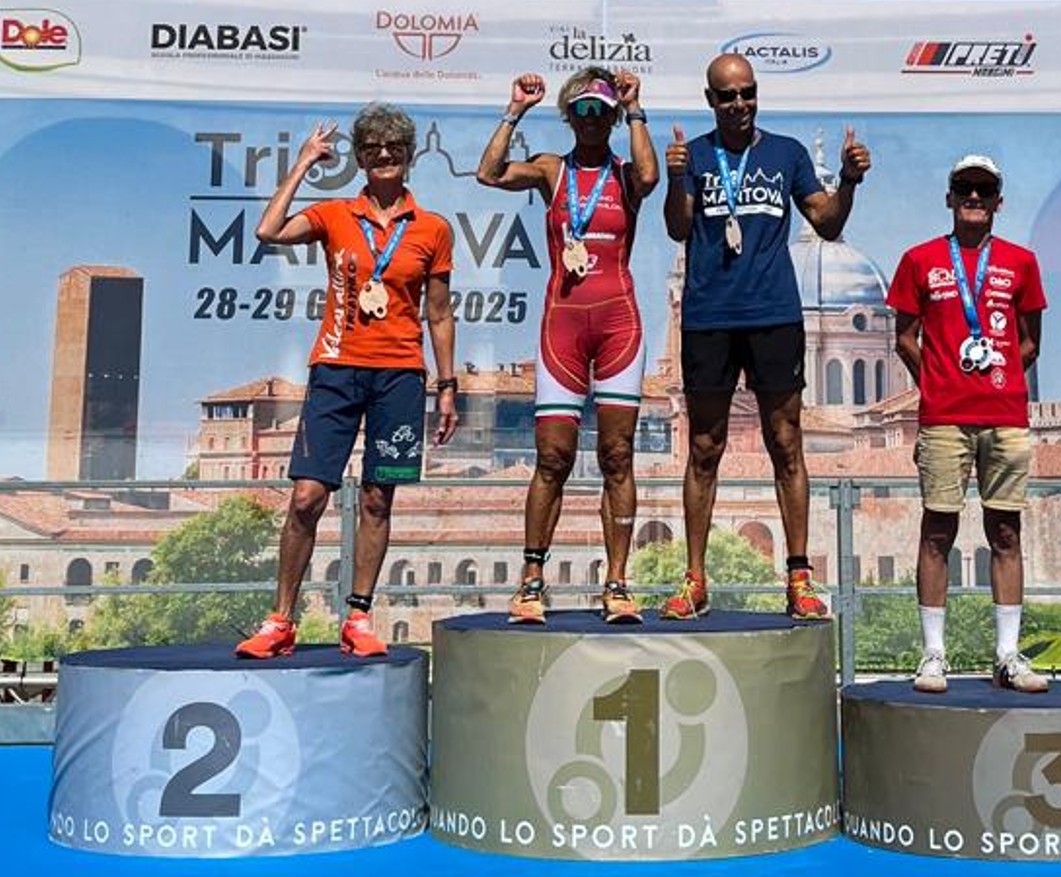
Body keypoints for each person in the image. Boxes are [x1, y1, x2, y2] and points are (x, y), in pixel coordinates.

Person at [236, 103, 459, 658]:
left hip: (400, 375)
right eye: (372, 148)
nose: (384, 155)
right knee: (307, 497)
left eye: (394, 147)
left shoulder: (433, 228)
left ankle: (358, 616)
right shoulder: (335, 215)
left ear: (409, 156)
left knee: (379, 499)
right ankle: (280, 620)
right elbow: (268, 229)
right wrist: (304, 162)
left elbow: (438, 314)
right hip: (336, 368)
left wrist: (448, 385)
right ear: (359, 158)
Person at [661, 53, 870, 620]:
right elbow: (678, 227)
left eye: (747, 93)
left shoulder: (786, 153)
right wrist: (677, 177)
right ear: (711, 101)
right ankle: (695, 579)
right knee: (704, 447)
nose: (739, 104)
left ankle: (798, 579)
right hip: (709, 316)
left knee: (786, 442)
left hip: (774, 314)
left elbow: (828, 222)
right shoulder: (694, 155)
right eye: (728, 96)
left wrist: (849, 181)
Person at [476, 67, 659, 624]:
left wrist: (635, 108)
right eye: (582, 110)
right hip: (563, 328)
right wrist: (515, 111)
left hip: (619, 325)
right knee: (552, 458)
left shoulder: (625, 173)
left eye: (602, 110)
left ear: (613, 116)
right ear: (569, 116)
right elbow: (488, 173)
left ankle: (618, 583)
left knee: (617, 456)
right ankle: (532, 580)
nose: (592, 120)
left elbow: (650, 177)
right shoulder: (552, 170)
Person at [887, 154, 1049, 693]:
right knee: (938, 531)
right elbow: (904, 338)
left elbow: (1030, 343)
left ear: (999, 201)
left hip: (1005, 417)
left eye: (983, 189)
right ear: (949, 197)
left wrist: (996, 378)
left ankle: (1007, 656)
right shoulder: (919, 260)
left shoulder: (1022, 262)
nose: (973, 197)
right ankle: (934, 655)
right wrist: (937, 381)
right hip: (943, 418)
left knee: (1006, 532)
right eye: (964, 187)